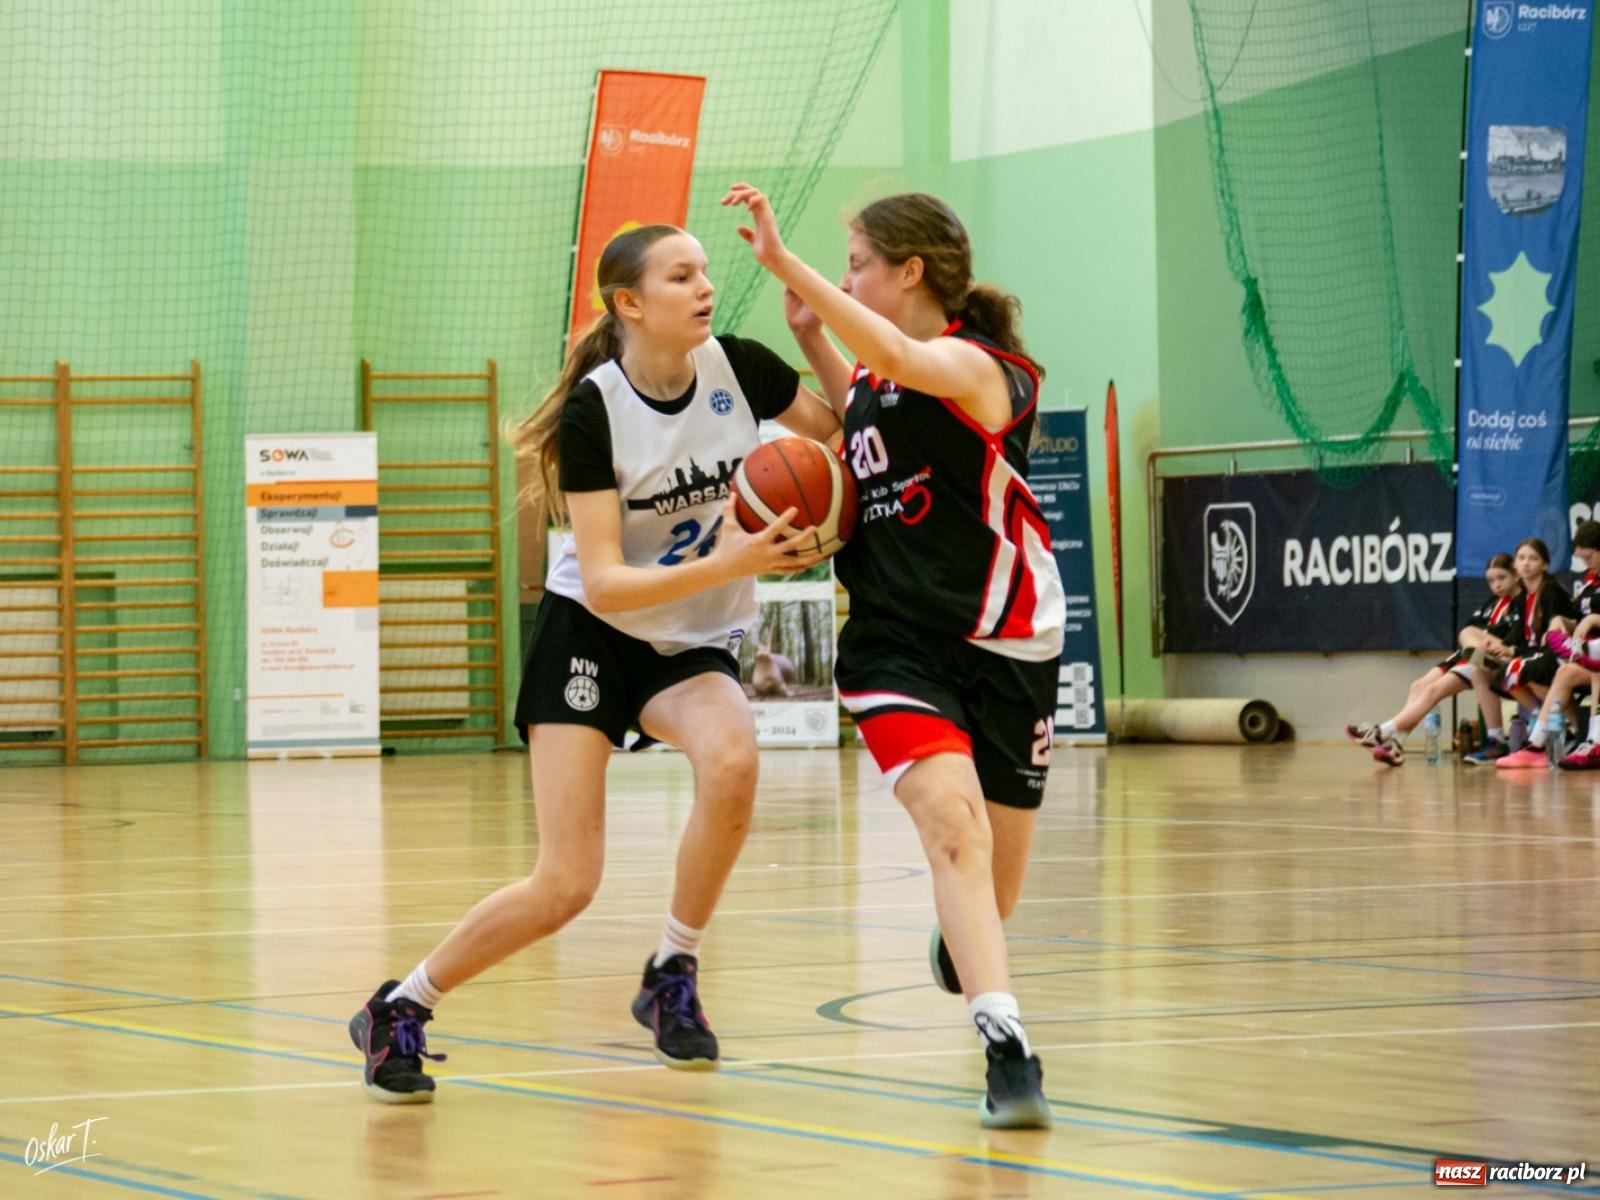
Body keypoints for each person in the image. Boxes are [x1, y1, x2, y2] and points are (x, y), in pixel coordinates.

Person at [348, 223, 840, 1102]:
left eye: (704, 271)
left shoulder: (740, 367)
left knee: (733, 762)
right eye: (681, 275)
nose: (704, 287)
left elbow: (836, 433)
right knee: (567, 884)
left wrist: (813, 338)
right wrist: (734, 560)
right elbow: (607, 583)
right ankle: (401, 1004)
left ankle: (672, 970)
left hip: (691, 639)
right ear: (629, 304)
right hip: (592, 632)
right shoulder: (595, 411)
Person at [725, 183, 1062, 1129]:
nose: (843, 280)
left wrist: (785, 266)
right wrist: (811, 339)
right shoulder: (877, 380)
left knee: (993, 883)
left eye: (857, 266)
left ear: (910, 272)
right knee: (953, 828)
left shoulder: (984, 369)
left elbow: (909, 363)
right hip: (893, 645)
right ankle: (1009, 1050)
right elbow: (866, 407)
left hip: (1010, 637)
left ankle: (967, 941)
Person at [1346, 553, 1520, 766]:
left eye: (1502, 578)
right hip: (1467, 655)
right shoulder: (1493, 603)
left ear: (1515, 576)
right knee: (1418, 686)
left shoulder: (1520, 604)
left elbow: (1512, 641)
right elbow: (1469, 630)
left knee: (1432, 691)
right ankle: (1395, 745)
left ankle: (1382, 732)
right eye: (1491, 580)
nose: (1497, 585)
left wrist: (1488, 645)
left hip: (1487, 660)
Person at [1497, 520, 1600, 768]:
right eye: (1583, 559)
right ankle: (1543, 743)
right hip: (1590, 656)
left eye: (1589, 557)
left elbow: (1591, 620)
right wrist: (1562, 621)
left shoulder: (1552, 590)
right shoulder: (1590, 582)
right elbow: (1579, 620)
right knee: (1559, 671)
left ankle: (1586, 739)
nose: (1587, 564)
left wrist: (1595, 619)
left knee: (1565, 669)